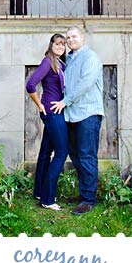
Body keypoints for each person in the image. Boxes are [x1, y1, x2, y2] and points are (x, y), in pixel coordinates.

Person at [50, 26, 103, 215]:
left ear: (82, 38)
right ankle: (84, 193)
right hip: (72, 114)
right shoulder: (70, 59)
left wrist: (65, 102)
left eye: (74, 37)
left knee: (87, 155)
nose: (70, 40)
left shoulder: (90, 58)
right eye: (68, 38)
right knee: (75, 154)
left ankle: (89, 199)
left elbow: (85, 84)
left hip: (88, 114)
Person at [25, 33, 68, 210]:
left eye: (63, 44)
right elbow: (30, 85)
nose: (60, 47)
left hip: (55, 111)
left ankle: (39, 191)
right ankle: (48, 199)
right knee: (61, 152)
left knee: (45, 152)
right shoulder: (47, 62)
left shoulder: (60, 62)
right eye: (57, 44)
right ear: (51, 45)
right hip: (52, 112)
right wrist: (40, 106)